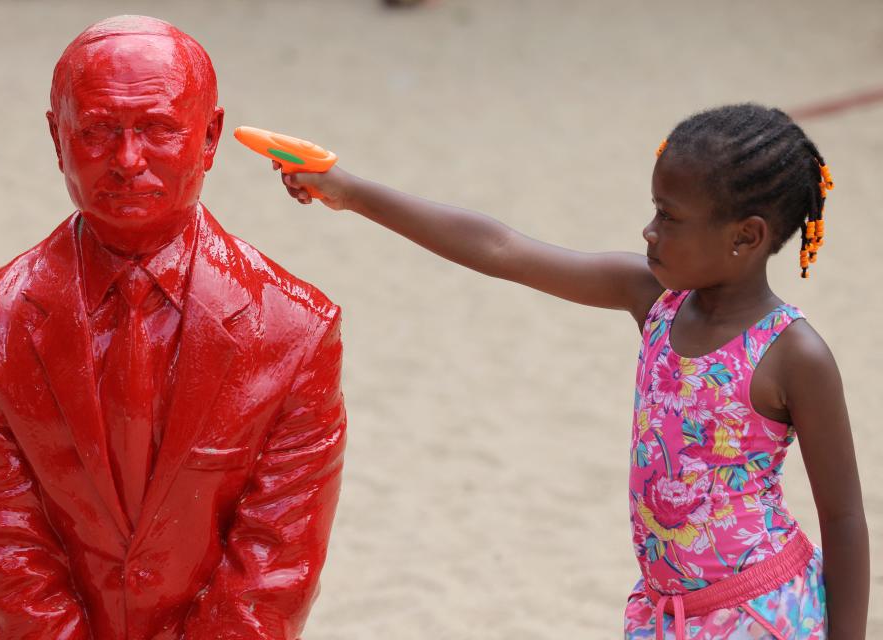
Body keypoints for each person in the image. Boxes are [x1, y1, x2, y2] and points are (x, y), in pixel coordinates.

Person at [272, 104, 868, 639]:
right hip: (669, 614)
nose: (649, 230)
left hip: (762, 614)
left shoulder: (794, 354)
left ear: (746, 236)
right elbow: (503, 249)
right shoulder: (653, 298)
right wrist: (349, 191)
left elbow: (843, 519)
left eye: (669, 216)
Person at [0, 15, 346, 640]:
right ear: (57, 138)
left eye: (158, 129)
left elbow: (275, 559)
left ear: (209, 138)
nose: (128, 161)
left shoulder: (295, 331)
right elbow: (4, 545)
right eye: (98, 131)